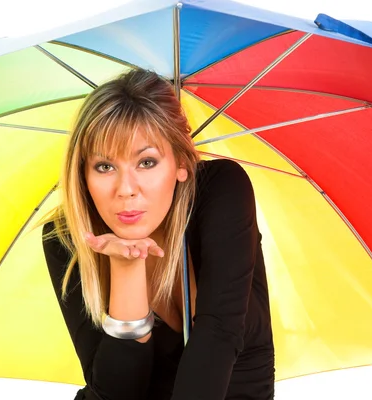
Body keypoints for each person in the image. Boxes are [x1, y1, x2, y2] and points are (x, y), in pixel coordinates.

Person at [41, 69, 274, 400]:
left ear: (181, 161)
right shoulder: (67, 237)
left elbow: (218, 334)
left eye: (146, 162)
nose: (126, 190)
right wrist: (126, 266)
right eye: (105, 166)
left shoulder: (221, 191)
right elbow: (113, 394)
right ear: (83, 173)